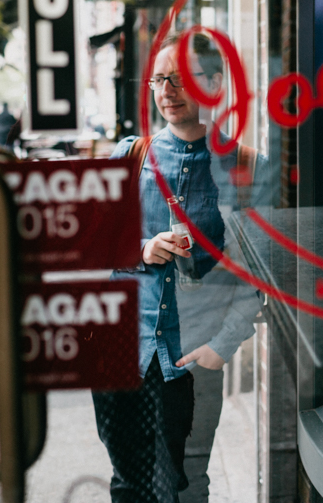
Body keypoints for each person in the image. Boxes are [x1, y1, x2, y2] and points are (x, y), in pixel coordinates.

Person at [94, 32, 262, 503]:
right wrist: (142, 248)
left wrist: (222, 346)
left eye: (181, 79)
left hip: (193, 360)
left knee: (187, 487)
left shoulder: (246, 167)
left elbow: (254, 275)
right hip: (121, 350)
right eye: (160, 79)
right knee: (129, 483)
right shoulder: (129, 157)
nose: (167, 90)